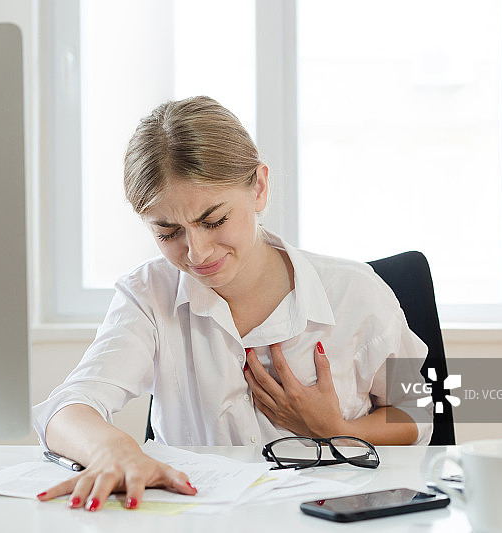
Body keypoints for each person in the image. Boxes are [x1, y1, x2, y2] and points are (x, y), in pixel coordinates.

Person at [33, 96, 431, 512]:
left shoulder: (356, 291)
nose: (197, 252)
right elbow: (67, 408)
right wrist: (114, 450)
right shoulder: (148, 294)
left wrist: (335, 428)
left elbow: (418, 410)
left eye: (214, 221)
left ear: (258, 188)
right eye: (168, 233)